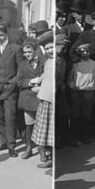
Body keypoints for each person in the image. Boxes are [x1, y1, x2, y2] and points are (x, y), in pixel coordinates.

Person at [0, 23, 22, 157]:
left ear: (7, 35)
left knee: (10, 117)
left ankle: (11, 145)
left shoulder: (15, 49)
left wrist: (13, 82)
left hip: (9, 88)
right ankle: (3, 141)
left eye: (1, 35)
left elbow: (20, 69)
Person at [67, 41, 95, 145]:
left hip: (89, 92)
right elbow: (70, 77)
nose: (86, 53)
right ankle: (74, 135)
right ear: (79, 52)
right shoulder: (75, 64)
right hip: (76, 92)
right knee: (75, 115)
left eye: (88, 51)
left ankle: (85, 135)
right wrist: (71, 87)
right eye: (83, 51)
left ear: (91, 52)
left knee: (86, 115)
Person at [16, 38, 44, 159]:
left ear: (36, 50)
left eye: (29, 51)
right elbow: (19, 81)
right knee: (29, 124)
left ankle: (42, 148)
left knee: (41, 124)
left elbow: (47, 77)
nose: (27, 54)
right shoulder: (22, 65)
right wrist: (32, 82)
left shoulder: (43, 63)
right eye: (25, 52)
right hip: (27, 97)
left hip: (41, 97)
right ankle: (28, 147)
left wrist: (41, 86)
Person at [32, 31, 55, 172]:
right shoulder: (47, 61)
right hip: (45, 99)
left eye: (51, 47)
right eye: (47, 49)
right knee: (45, 131)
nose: (50, 51)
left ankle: (53, 161)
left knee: (51, 132)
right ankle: (49, 159)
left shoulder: (57, 62)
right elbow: (46, 76)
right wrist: (39, 82)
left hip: (52, 101)